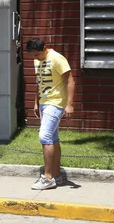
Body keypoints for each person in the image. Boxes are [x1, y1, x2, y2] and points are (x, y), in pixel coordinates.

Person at [26, 38, 75, 190]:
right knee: (53, 138)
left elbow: (70, 81)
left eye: (37, 54)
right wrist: (36, 102)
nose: (35, 57)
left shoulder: (57, 59)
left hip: (56, 103)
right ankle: (57, 176)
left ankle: (48, 178)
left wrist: (69, 104)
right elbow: (39, 82)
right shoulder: (37, 61)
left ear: (45, 48)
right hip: (44, 103)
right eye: (33, 55)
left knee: (44, 136)